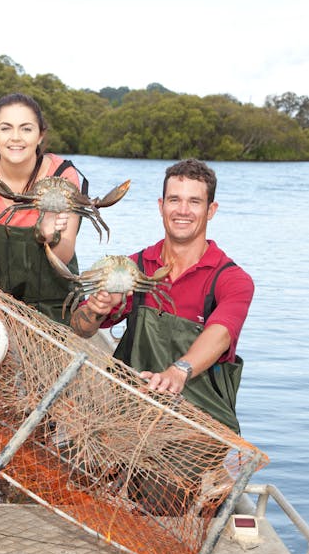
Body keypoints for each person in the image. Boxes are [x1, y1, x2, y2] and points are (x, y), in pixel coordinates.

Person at [69, 158, 253, 434]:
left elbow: (222, 333)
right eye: (174, 200)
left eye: (194, 202)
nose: (182, 210)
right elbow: (80, 328)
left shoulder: (232, 279)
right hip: (130, 412)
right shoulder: (133, 268)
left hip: (199, 423)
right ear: (161, 205)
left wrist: (179, 371)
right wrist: (97, 308)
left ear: (211, 210)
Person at [0, 93, 88, 324]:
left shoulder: (63, 177)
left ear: (40, 136)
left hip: (56, 303)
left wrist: (49, 235)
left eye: (26, 129)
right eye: (6, 128)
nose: (16, 138)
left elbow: (64, 256)